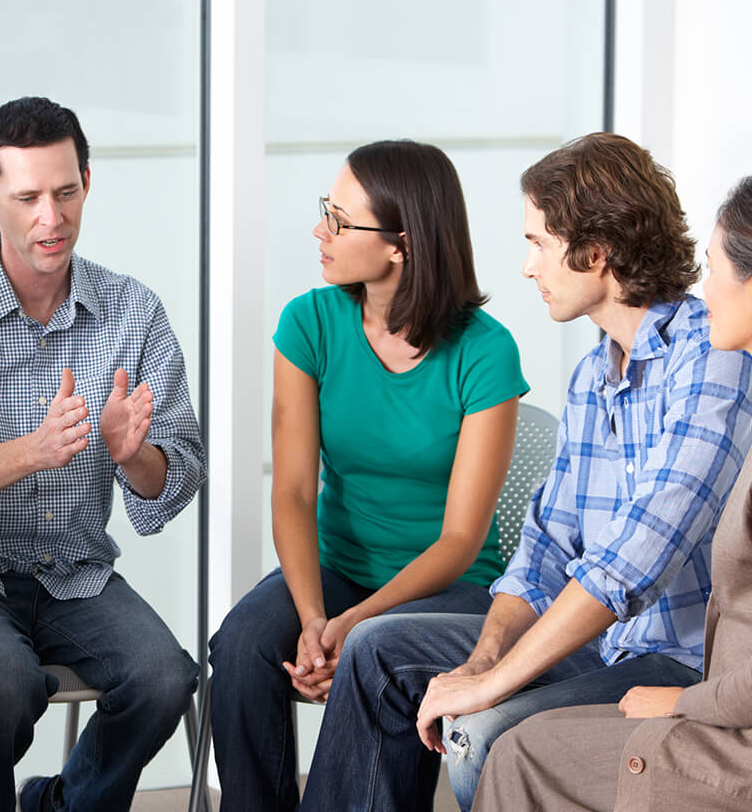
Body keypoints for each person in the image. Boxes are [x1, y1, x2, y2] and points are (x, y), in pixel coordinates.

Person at [298, 132, 752, 812]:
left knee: (485, 727)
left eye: (538, 244)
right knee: (377, 649)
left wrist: (490, 686)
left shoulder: (712, 362)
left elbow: (633, 561)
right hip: (603, 644)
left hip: (681, 660)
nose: (527, 268)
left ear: (596, 253)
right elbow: (545, 547)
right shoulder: (591, 379)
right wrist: (486, 655)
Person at [472, 169, 752, 811]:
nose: (703, 293)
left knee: (519, 751)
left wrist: (680, 702)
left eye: (713, 271)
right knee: (530, 741)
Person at [0, 97, 204, 812]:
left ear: (87, 180)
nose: (51, 218)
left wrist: (132, 453)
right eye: (26, 198)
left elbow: (176, 474)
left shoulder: (133, 311)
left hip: (71, 569)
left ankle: (57, 807)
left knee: (163, 679)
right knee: (0, 683)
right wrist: (32, 452)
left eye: (65, 192)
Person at [207, 141, 529, 811]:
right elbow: (294, 491)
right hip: (337, 568)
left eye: (340, 220)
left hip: (450, 587)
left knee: (375, 651)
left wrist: (355, 622)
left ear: (400, 245)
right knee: (240, 646)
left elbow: (462, 539)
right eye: (326, 211)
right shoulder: (309, 323)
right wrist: (314, 617)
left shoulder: (486, 351)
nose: (320, 232)